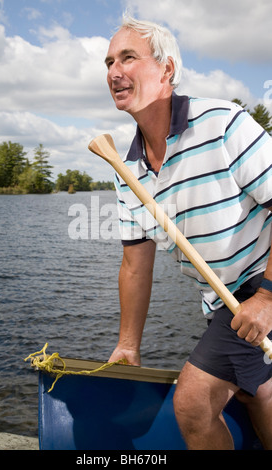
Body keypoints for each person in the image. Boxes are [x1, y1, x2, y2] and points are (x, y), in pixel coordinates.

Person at [104, 15, 272, 450]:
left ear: (167, 70)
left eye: (127, 58)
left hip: (263, 284)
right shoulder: (128, 172)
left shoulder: (223, 123)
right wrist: (128, 344)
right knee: (264, 400)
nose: (113, 72)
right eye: (108, 63)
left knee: (194, 400)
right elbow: (135, 264)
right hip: (228, 305)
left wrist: (267, 297)